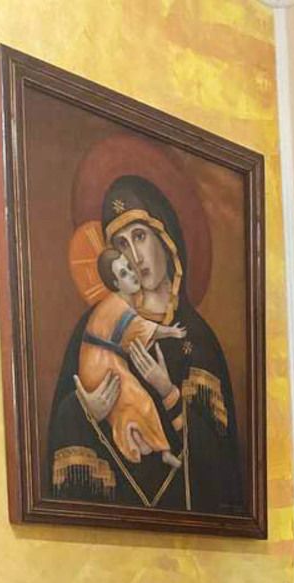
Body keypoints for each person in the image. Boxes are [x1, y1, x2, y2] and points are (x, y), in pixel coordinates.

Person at [48, 174, 243, 513]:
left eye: (139, 236)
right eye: (121, 245)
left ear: (165, 239)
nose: (135, 256)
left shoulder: (197, 339)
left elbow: (220, 461)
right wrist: (87, 411)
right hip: (113, 519)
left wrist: (168, 391)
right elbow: (64, 417)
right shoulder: (96, 325)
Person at [78, 247, 187, 471]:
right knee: (140, 401)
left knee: (129, 407)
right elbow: (139, 328)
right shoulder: (117, 306)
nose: (133, 272)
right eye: (124, 273)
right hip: (101, 364)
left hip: (105, 362)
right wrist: (170, 332)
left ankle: (140, 442)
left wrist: (166, 388)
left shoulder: (126, 305)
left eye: (129, 267)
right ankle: (160, 450)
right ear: (115, 284)